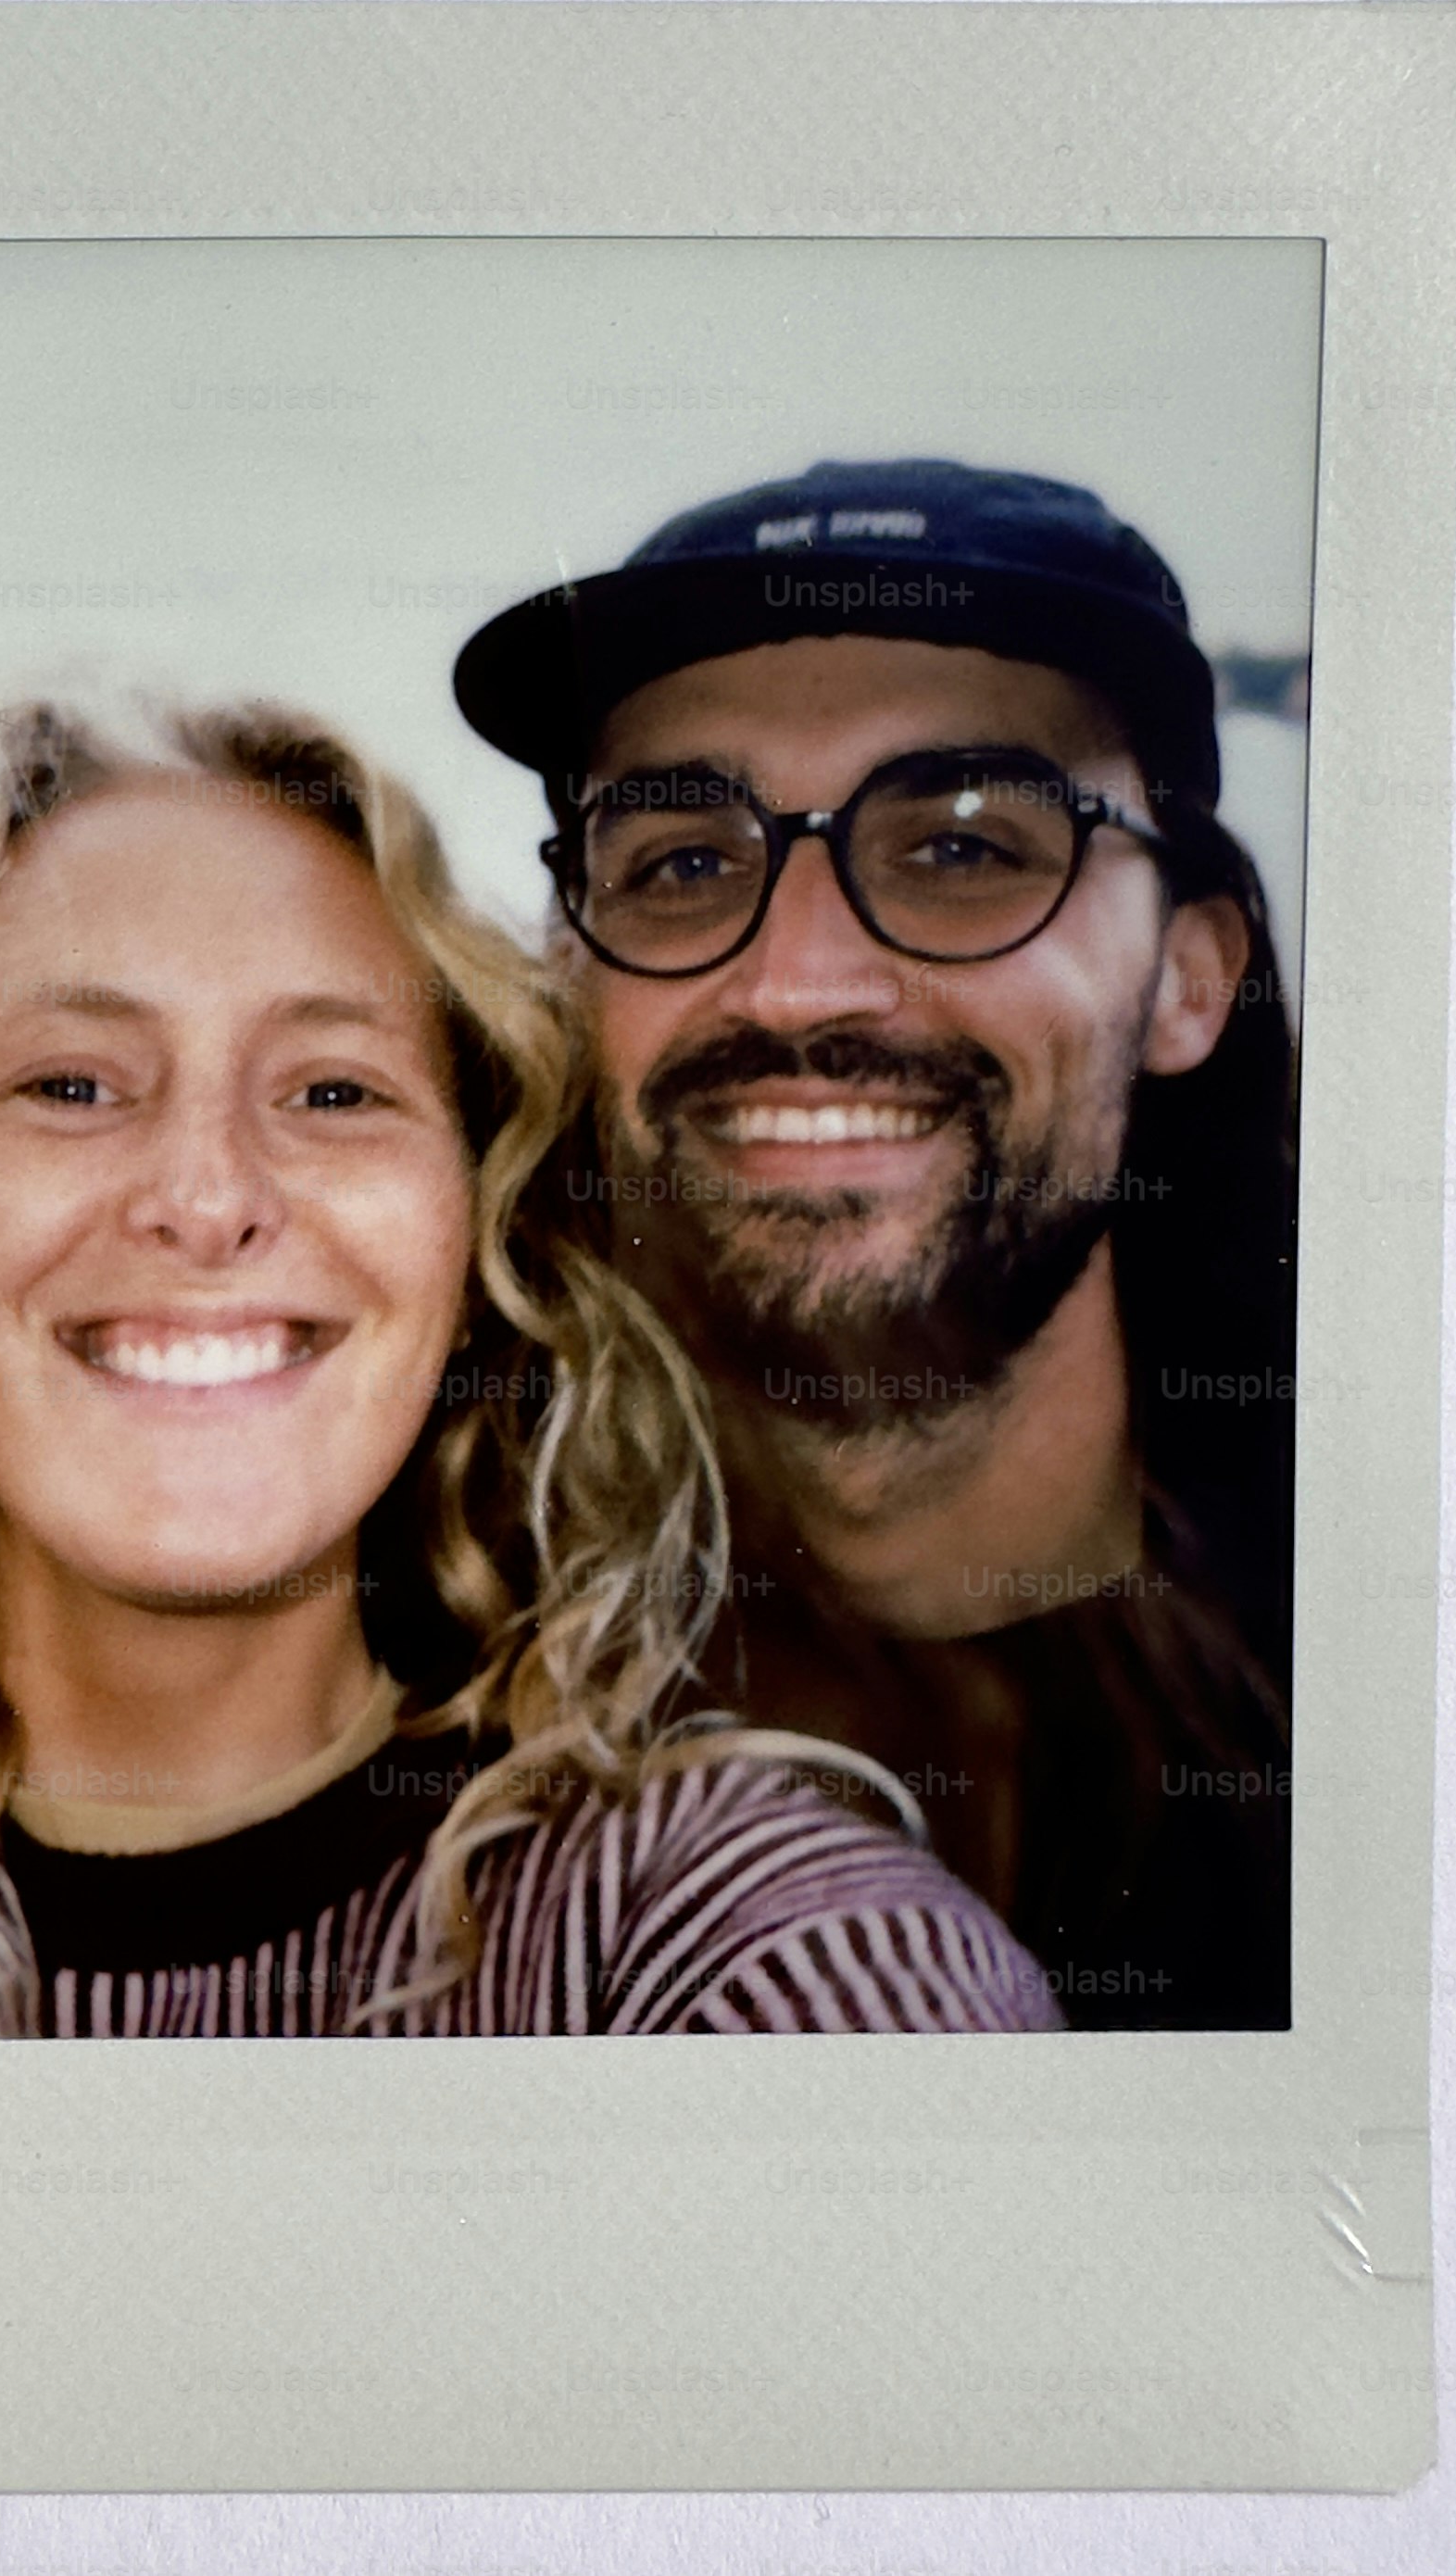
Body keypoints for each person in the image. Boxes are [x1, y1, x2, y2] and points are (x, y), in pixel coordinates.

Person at [0, 693, 1061, 2041]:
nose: (206, 1196)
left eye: (332, 1089)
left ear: (478, 1242)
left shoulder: (730, 1939)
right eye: (71, 1084)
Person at [455, 459, 1294, 2029]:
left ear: (1190, 980)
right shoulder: (397, 1695)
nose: (802, 984)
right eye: (686, 863)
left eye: (964, 846)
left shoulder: (1393, 1725)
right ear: (572, 976)